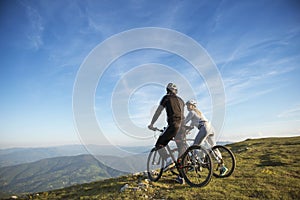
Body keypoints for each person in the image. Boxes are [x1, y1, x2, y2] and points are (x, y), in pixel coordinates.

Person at [148, 83, 185, 178]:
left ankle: (168, 160)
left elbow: (158, 111)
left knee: (159, 144)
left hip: (174, 125)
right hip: (182, 127)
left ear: (167, 90)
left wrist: (152, 124)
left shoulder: (166, 98)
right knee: (181, 148)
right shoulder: (181, 100)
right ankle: (182, 176)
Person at [184, 99, 228, 176]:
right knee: (213, 147)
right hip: (210, 128)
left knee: (195, 146)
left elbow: (184, 122)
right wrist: (187, 131)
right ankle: (222, 166)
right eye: (187, 105)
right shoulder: (198, 113)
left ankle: (194, 165)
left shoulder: (191, 112)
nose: (187, 106)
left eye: (188, 105)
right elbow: (191, 125)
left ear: (193, 106)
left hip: (204, 128)